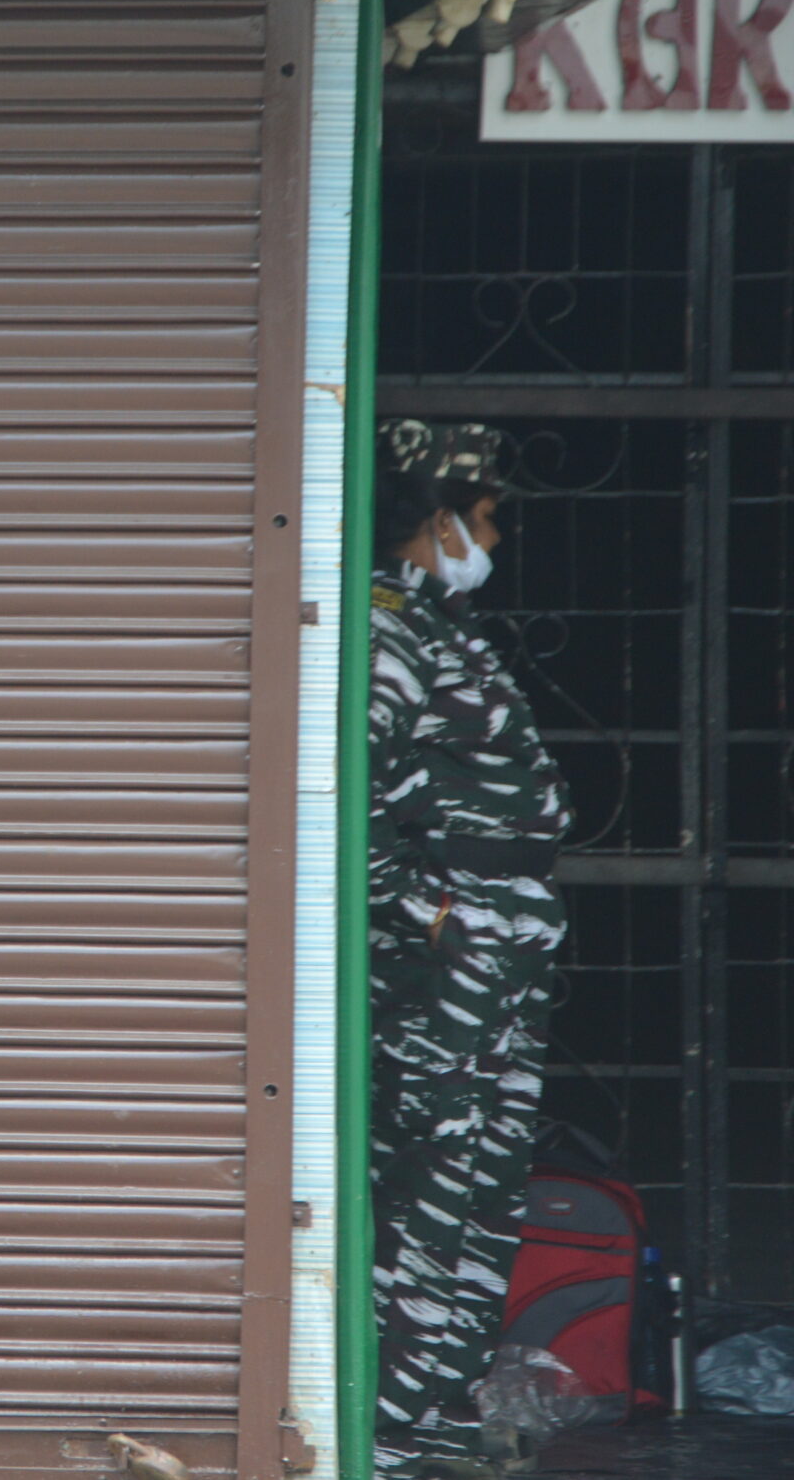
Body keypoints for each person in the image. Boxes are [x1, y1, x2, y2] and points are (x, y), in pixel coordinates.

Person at [365, 420, 572, 1480]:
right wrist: (424, 918)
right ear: (439, 520)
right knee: (426, 1182)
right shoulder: (387, 634)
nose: (494, 535)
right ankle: (388, 1423)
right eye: (486, 516)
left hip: (495, 961)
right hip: (441, 973)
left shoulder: (444, 627)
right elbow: (346, 803)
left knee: (480, 1187)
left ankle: (438, 1406)